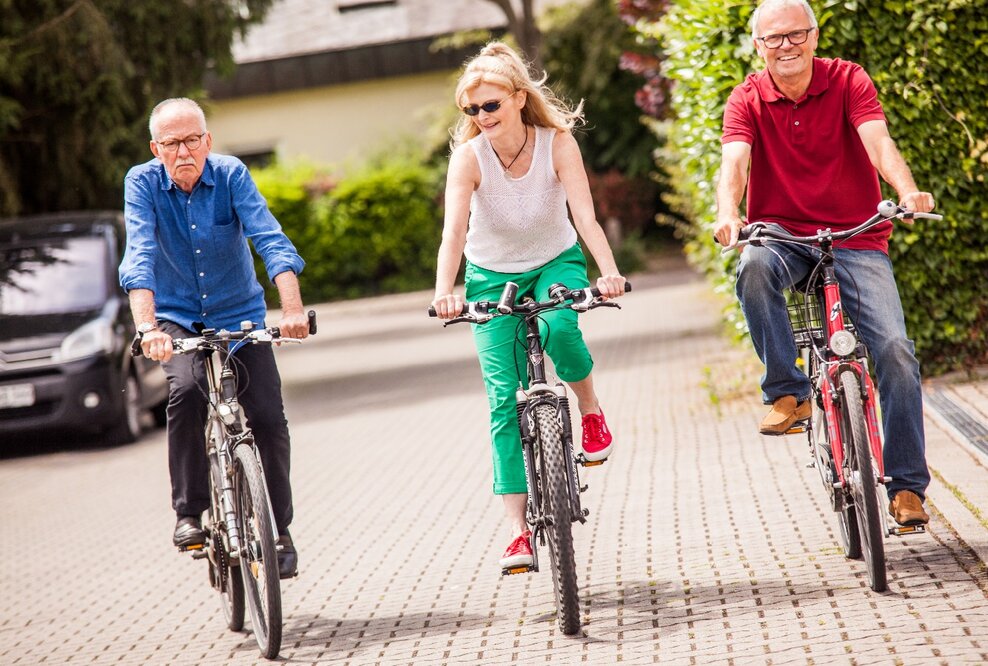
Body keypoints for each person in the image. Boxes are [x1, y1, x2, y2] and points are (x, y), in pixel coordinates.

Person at [713, 0, 936, 526]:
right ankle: (788, 394)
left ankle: (907, 488)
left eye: (795, 35)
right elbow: (734, 162)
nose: (785, 46)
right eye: (774, 38)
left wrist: (906, 190)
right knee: (753, 266)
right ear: (758, 45)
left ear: (814, 36)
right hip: (783, 237)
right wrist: (728, 214)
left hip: (855, 236)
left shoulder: (847, 80)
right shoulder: (746, 98)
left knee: (897, 354)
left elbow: (877, 142)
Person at [431, 42, 627, 569]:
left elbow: (584, 216)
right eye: (471, 110)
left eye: (490, 106)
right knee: (502, 399)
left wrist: (607, 273)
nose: (481, 117)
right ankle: (518, 532)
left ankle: (588, 409)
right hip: (489, 276)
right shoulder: (468, 159)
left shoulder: (556, 144)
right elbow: (453, 231)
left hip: (554, 261)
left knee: (561, 329)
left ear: (519, 99)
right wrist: (443, 291)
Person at [119, 98, 309, 578]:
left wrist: (289, 311)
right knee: (183, 391)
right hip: (176, 316)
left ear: (208, 141)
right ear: (155, 148)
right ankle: (189, 511)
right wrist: (147, 329)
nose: (183, 151)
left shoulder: (231, 175)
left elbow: (270, 239)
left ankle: (278, 529)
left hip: (239, 313)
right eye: (171, 143)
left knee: (267, 416)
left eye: (191, 140)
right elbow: (139, 255)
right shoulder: (141, 183)